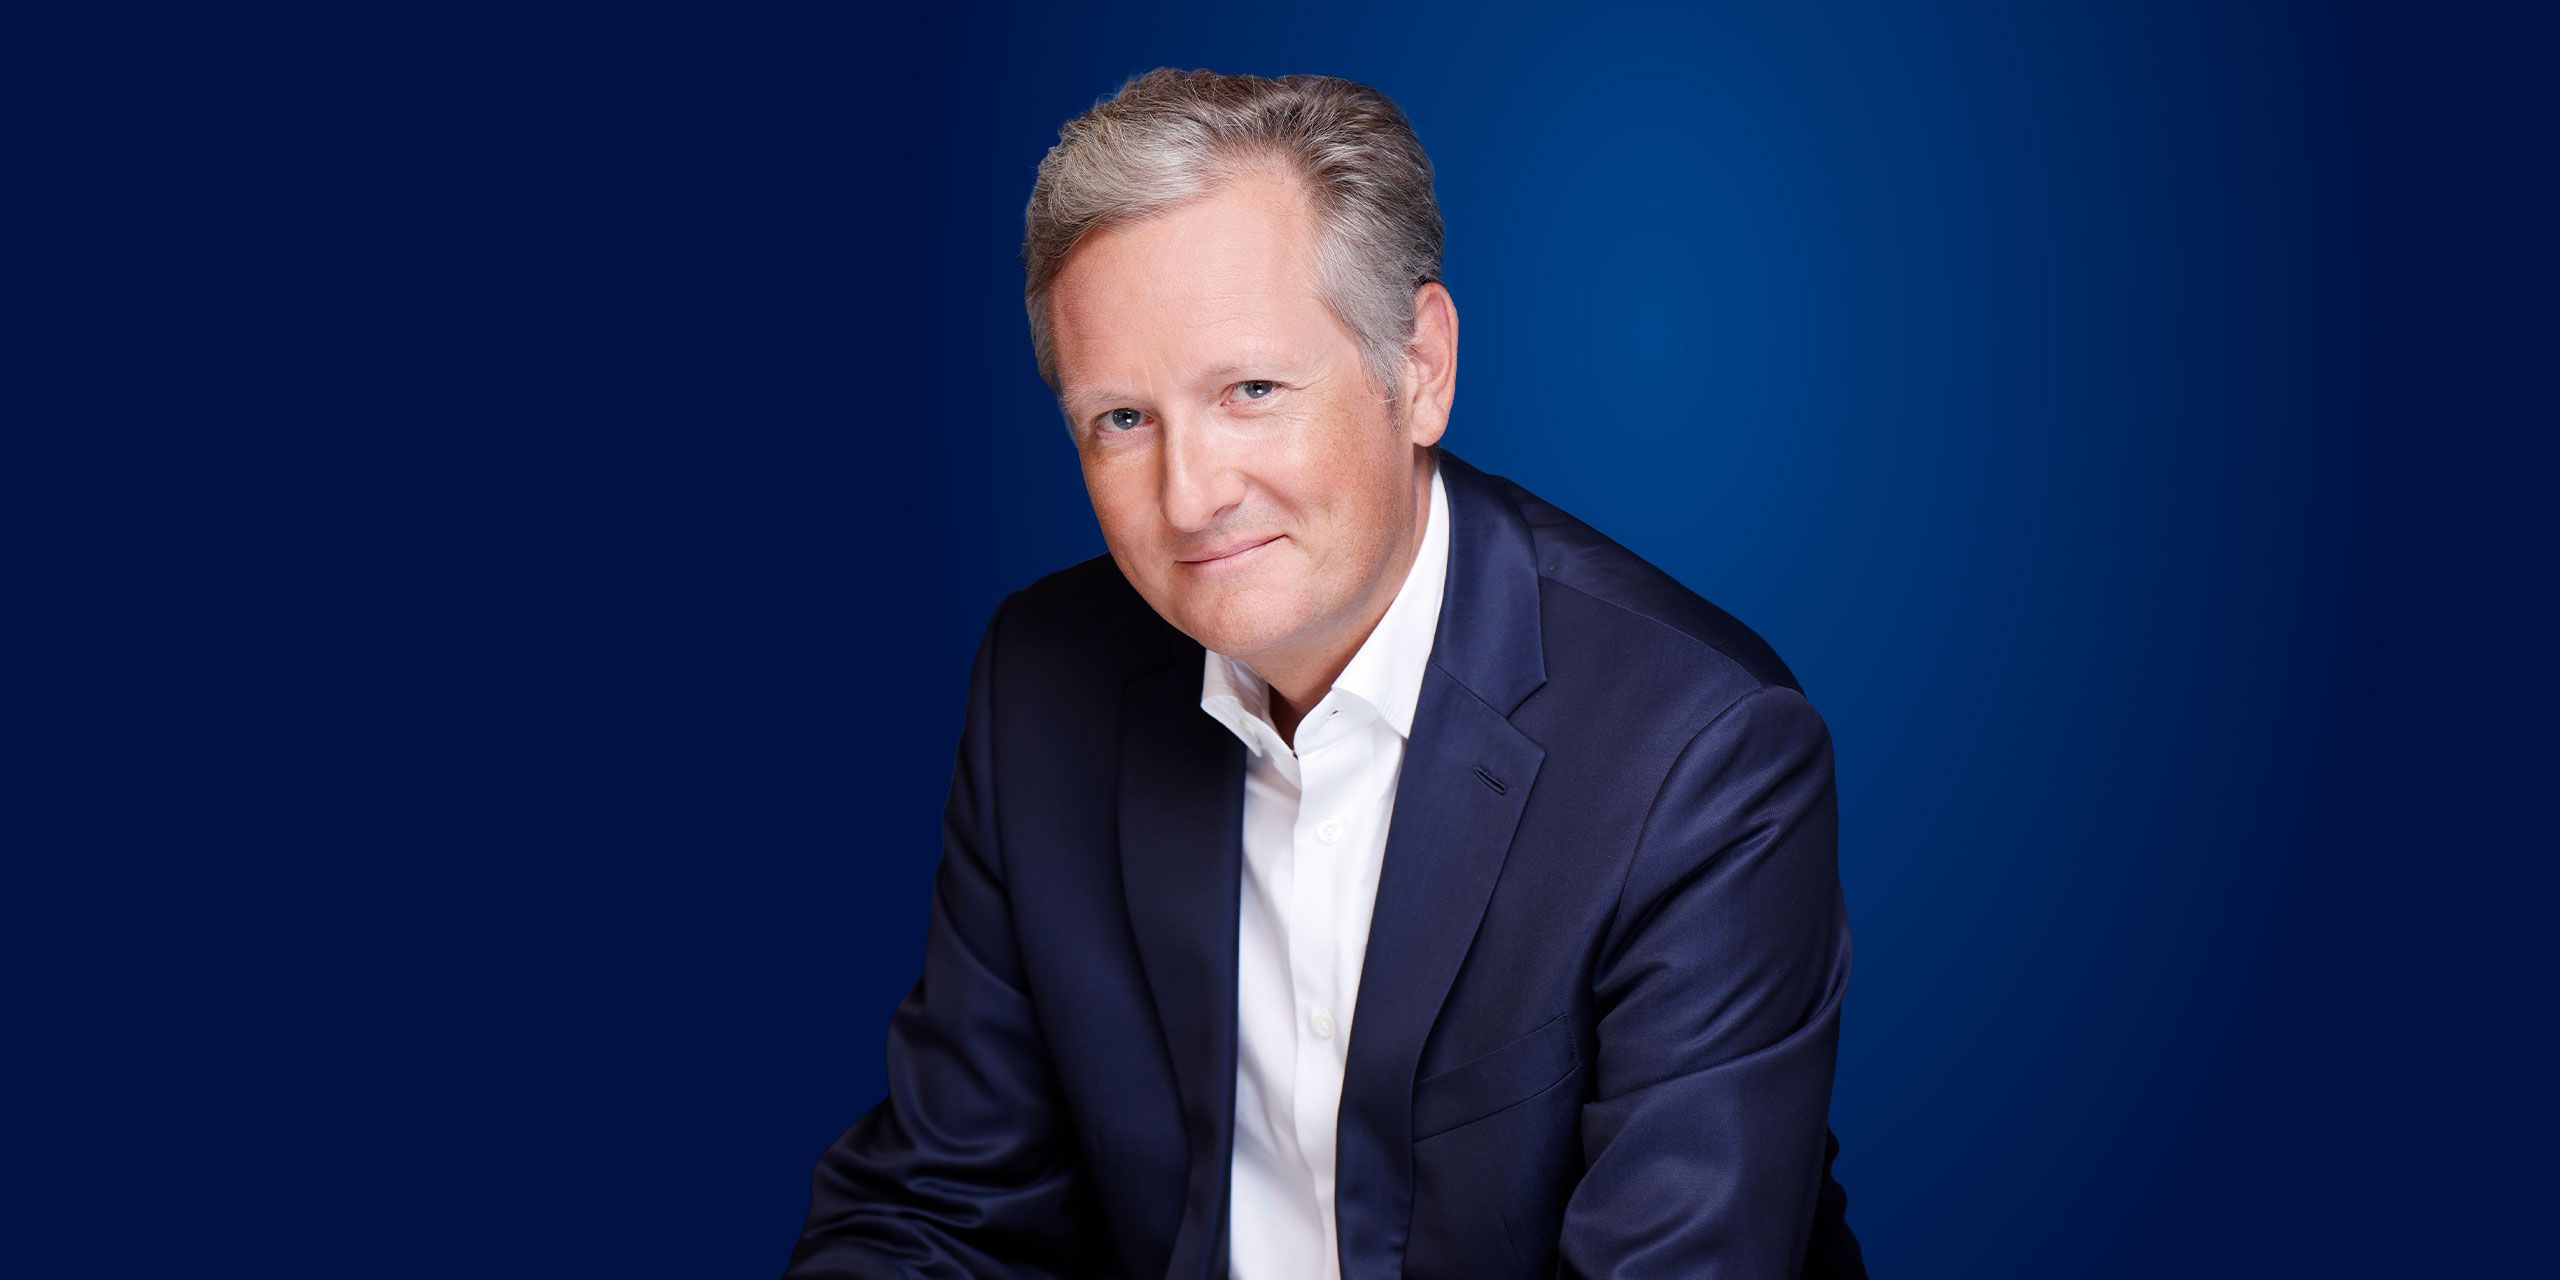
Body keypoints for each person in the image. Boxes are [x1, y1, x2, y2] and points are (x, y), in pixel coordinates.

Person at [787, 68, 1865, 1280]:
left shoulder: (1700, 752)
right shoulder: (1042, 683)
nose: (1189, 496)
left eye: (1251, 390)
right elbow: (939, 1207)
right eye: (1122, 420)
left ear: (1421, 368)